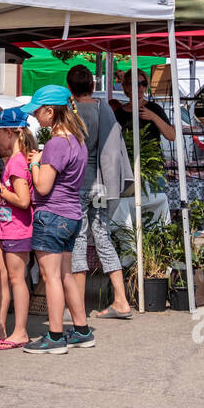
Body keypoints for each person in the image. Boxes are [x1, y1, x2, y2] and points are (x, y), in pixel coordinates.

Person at [20, 85, 92, 354]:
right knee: (65, 275)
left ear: (50, 111)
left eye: (38, 112)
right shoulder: (77, 140)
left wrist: (35, 163)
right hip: (71, 214)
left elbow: (42, 187)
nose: (36, 117)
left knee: (51, 278)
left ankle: (55, 335)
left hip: (51, 215)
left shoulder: (55, 143)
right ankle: (82, 330)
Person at [67, 65, 135, 319]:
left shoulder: (70, 114)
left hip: (78, 184)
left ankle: (78, 309)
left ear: (69, 87)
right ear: (92, 86)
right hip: (101, 184)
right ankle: (121, 299)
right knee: (103, 237)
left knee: (79, 241)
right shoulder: (101, 109)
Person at [0, 108, 35, 349]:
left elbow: (23, 200)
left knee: (16, 279)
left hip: (16, 229)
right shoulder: (15, 160)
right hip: (5, 227)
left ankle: (20, 331)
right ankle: (0, 326)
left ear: (9, 132)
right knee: (1, 277)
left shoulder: (17, 162)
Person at [111, 68, 175, 145]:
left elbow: (171, 136)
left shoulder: (154, 108)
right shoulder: (119, 113)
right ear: (126, 87)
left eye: (143, 83)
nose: (140, 87)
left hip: (152, 156)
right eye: (136, 84)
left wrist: (153, 117)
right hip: (127, 156)